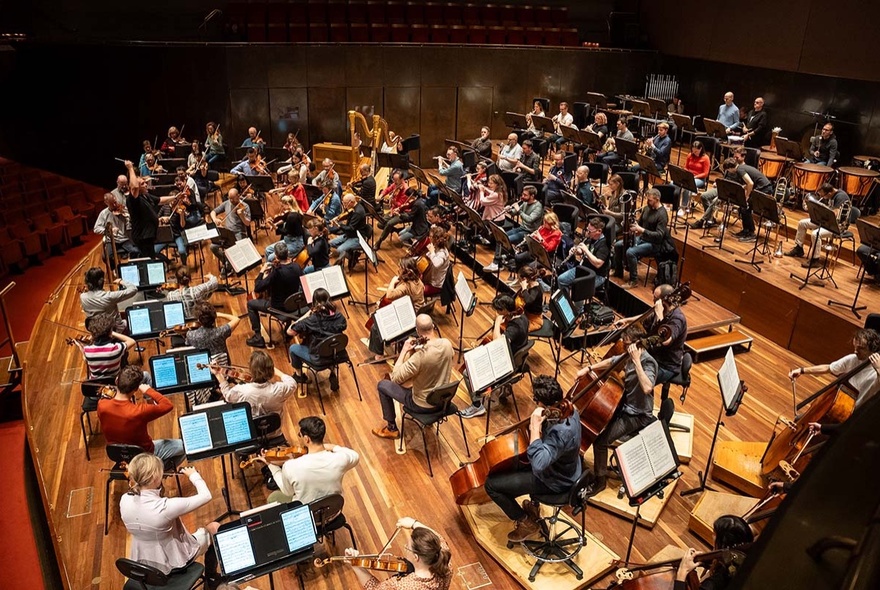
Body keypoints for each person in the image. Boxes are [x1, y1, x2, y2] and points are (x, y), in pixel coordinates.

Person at [484, 375, 582, 541]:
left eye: (536, 400)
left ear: (541, 402)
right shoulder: (570, 408)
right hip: (567, 467)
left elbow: (538, 464)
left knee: (491, 485)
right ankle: (533, 507)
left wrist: (535, 427)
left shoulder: (561, 432)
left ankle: (526, 522)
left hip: (556, 480)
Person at [577, 324, 658, 492]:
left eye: (627, 343)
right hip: (625, 407)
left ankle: (600, 482)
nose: (624, 345)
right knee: (595, 424)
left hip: (637, 415)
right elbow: (612, 361)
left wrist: (636, 361)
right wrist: (588, 368)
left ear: (637, 344)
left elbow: (647, 387)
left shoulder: (648, 362)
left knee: (600, 442)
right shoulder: (628, 355)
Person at [120, 454, 221, 577]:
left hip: (144, 564)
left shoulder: (124, 500)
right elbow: (206, 496)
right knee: (215, 528)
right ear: (154, 478)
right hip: (174, 563)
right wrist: (194, 475)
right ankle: (211, 577)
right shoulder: (165, 507)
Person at [372, 314, 454, 440]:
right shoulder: (447, 344)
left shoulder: (419, 357)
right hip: (442, 401)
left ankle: (391, 428)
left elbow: (396, 378)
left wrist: (405, 351)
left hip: (422, 405)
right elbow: (435, 362)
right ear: (433, 326)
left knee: (382, 385)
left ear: (417, 331)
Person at [261, 416, 360, 505]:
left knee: (273, 497)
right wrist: (332, 447)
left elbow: (287, 492)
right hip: (333, 511)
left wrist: (271, 465)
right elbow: (355, 456)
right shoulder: (340, 459)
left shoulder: (291, 466)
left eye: (300, 435)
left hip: (307, 514)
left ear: (307, 439)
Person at [460, 294, 529, 418]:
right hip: (515, 359)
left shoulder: (514, 327)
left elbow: (498, 343)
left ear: (505, 311)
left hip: (506, 366)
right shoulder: (523, 317)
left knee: (467, 372)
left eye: (498, 310)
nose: (496, 313)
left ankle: (477, 406)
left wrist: (497, 322)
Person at [97, 365, 185, 462]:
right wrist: (148, 390)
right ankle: (156, 470)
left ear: (116, 381)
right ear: (135, 389)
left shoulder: (102, 404)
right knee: (186, 445)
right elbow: (167, 405)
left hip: (118, 454)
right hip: (143, 454)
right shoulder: (139, 411)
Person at [345, 517, 452, 590]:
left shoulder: (402, 586)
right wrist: (413, 523)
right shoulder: (444, 559)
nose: (405, 547)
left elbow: (373, 588)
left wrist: (356, 564)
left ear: (416, 557)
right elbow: (438, 537)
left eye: (407, 546)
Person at [789, 328, 880, 408]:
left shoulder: (878, 369)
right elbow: (828, 368)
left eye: (860, 348)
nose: (855, 351)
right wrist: (801, 370)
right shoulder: (853, 358)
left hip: (857, 414)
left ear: (873, 348)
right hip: (840, 404)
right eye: (855, 346)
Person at [216, 350, 296, 434]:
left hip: (252, 434)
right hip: (275, 433)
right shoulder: (279, 389)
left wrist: (218, 374)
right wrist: (278, 372)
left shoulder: (242, 390)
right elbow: (292, 383)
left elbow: (227, 395)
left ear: (251, 370)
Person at [287, 287, 348, 389]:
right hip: (337, 355)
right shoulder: (339, 316)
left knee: (293, 348)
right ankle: (332, 372)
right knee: (330, 342)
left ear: (315, 303)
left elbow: (290, 331)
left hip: (319, 358)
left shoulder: (313, 319)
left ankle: (299, 376)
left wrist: (307, 315)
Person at [245, 242, 303, 348]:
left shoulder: (277, 272)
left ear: (276, 255)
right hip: (294, 305)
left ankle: (258, 337)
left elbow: (258, 288)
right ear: (288, 253)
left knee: (251, 304)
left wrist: (262, 271)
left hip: (278, 307)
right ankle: (287, 331)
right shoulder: (297, 267)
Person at [366, 259, 425, 362]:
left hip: (408, 318)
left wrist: (392, 282)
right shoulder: (418, 281)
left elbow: (389, 295)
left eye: (400, 268)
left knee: (376, 326)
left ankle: (379, 356)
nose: (398, 270)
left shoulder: (405, 286)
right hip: (417, 313)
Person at [675, 515, 754, 590]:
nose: (712, 535)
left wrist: (682, 572)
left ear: (723, 543)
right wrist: (707, 562)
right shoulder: (752, 557)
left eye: (714, 533)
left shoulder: (715, 582)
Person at [612, 188, 671, 287]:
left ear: (657, 200)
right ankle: (618, 271)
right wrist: (631, 225)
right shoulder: (647, 208)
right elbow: (639, 223)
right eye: (647, 199)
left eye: (650, 200)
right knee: (618, 245)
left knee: (630, 252)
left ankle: (633, 280)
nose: (648, 202)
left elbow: (659, 235)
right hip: (643, 239)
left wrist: (641, 230)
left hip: (654, 244)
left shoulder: (662, 214)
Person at [784, 183, 851, 265]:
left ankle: (815, 259)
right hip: (827, 221)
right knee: (802, 223)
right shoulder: (830, 195)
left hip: (837, 226)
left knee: (815, 234)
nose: (822, 198)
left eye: (824, 196)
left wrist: (821, 209)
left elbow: (835, 214)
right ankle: (799, 248)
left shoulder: (841, 197)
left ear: (829, 193)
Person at [484, 185, 542, 273]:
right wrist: (509, 210)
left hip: (529, 232)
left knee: (506, 240)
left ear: (532, 196)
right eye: (522, 194)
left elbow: (529, 220)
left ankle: (497, 262)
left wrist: (519, 210)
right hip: (522, 228)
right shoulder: (525, 203)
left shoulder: (538, 207)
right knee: (502, 237)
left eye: (525, 195)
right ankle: (501, 261)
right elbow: (515, 213)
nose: (522, 196)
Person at [557, 216, 610, 313]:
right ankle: (567, 306)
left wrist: (585, 250)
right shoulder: (591, 238)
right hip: (583, 270)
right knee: (561, 279)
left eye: (590, 231)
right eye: (587, 230)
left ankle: (578, 311)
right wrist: (577, 250)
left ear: (599, 231)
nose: (587, 233)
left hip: (595, 275)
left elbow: (598, 263)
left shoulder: (604, 245)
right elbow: (583, 251)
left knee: (579, 287)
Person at [125, 160, 176, 260]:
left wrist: (176, 197)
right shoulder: (133, 200)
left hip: (149, 235)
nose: (146, 184)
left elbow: (160, 200)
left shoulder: (145, 195)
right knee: (148, 260)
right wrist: (130, 168)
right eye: (143, 183)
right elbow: (134, 186)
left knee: (151, 258)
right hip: (142, 237)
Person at [78, 312, 137, 380]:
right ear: (110, 332)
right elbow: (132, 341)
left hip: (95, 383)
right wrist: (113, 333)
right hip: (115, 381)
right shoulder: (116, 348)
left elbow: (86, 360)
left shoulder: (87, 350)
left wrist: (81, 346)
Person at [80, 267, 138, 333]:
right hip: (115, 330)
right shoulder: (109, 296)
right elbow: (133, 289)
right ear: (103, 281)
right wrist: (121, 281)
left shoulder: (82, 297)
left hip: (97, 331)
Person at [209, 187, 251, 278]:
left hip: (239, 233)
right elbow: (213, 212)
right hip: (227, 232)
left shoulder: (245, 206)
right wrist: (215, 219)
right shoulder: (227, 203)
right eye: (230, 198)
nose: (231, 200)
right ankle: (227, 262)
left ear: (238, 196)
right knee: (213, 247)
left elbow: (247, 224)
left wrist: (242, 215)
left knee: (236, 248)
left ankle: (229, 266)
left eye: (233, 198)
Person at [185, 301, 241, 367]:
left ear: (199, 320)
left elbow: (187, 344)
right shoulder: (221, 332)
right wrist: (219, 314)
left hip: (202, 365)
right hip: (222, 366)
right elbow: (236, 319)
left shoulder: (190, 335)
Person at [95, 193, 139, 268]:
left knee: (136, 251)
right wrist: (109, 230)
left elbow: (131, 226)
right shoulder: (103, 213)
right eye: (112, 204)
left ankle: (132, 266)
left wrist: (128, 219)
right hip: (111, 240)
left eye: (115, 202)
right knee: (105, 257)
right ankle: (116, 268)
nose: (115, 205)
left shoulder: (123, 209)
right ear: (106, 203)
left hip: (124, 238)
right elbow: (96, 229)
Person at [329, 193, 368, 266]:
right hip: (349, 234)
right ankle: (349, 251)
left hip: (356, 237)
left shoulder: (357, 212)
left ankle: (352, 256)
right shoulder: (353, 207)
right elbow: (347, 215)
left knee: (340, 250)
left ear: (351, 202)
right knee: (331, 243)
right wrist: (337, 218)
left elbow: (351, 228)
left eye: (345, 203)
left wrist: (339, 225)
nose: (344, 205)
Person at [266, 196, 305, 262]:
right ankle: (273, 269)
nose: (282, 207)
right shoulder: (294, 212)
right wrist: (275, 224)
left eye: (283, 205)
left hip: (295, 244)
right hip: (289, 240)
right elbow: (284, 219)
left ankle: (275, 270)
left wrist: (275, 227)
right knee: (268, 249)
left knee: (270, 258)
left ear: (287, 204)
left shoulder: (292, 216)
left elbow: (286, 231)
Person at [679, 140, 711, 216]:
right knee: (675, 183)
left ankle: (683, 207)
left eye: (696, 151)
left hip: (700, 179)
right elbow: (686, 167)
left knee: (687, 185)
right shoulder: (690, 155)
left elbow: (705, 173)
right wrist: (687, 173)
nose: (694, 153)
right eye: (693, 151)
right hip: (689, 176)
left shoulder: (705, 158)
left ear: (700, 149)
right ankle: (673, 203)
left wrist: (695, 176)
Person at [422, 226, 451, 297]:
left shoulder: (443, 252)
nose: (429, 238)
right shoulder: (435, 246)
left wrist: (432, 252)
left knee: (415, 291)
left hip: (435, 285)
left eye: (431, 237)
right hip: (429, 278)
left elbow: (437, 264)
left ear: (436, 239)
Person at [514, 265, 544, 331]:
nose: (519, 281)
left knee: (514, 329)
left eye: (519, 279)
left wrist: (524, 288)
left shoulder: (536, 289)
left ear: (524, 279)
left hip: (534, 321)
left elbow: (528, 300)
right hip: (525, 316)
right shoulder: (530, 286)